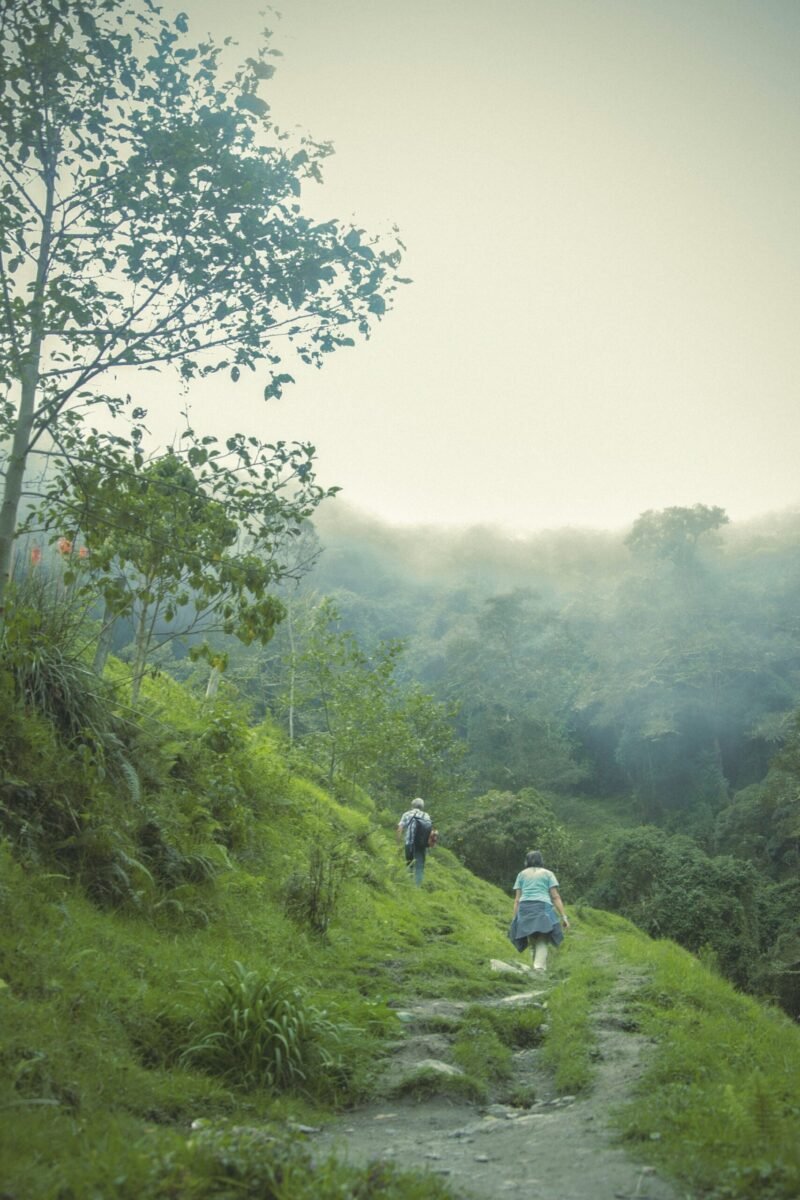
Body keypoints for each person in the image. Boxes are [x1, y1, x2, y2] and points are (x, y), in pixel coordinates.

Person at [508, 849, 569, 971]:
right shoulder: (548, 874)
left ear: (527, 861)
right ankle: (539, 969)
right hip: (542, 907)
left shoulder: (521, 874)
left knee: (533, 940)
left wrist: (515, 918)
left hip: (524, 908)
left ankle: (538, 970)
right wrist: (564, 917)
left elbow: (517, 899)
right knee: (543, 939)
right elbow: (555, 897)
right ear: (541, 860)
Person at [396, 797, 432, 886]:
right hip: (421, 844)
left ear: (412, 805)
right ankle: (417, 887)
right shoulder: (426, 815)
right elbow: (429, 830)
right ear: (422, 806)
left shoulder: (407, 814)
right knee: (419, 866)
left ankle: (408, 884)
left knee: (409, 863)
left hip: (409, 843)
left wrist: (398, 842)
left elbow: (400, 828)